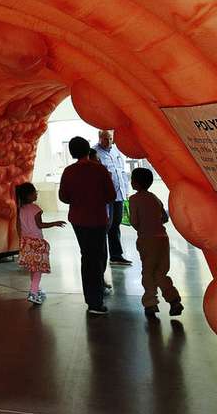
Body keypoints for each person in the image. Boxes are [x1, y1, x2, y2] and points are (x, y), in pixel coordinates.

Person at [58, 136, 117, 315]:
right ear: (88, 150)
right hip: (98, 219)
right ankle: (95, 301)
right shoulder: (99, 170)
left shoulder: (68, 171)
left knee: (87, 257)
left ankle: (91, 298)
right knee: (98, 257)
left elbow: (63, 197)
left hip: (78, 220)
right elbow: (111, 195)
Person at [128, 167, 183, 318]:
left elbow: (134, 222)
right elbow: (165, 218)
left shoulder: (133, 199)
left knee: (148, 272)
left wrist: (141, 225)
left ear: (136, 183)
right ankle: (174, 300)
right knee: (161, 272)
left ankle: (150, 303)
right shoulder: (155, 198)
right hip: (162, 240)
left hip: (147, 240)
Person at [15, 182, 66, 305]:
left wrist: (21, 239)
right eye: (34, 192)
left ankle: (36, 289)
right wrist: (55, 223)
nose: (36, 194)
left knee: (33, 268)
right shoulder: (36, 209)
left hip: (26, 242)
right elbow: (40, 225)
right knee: (38, 269)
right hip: (37, 242)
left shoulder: (20, 209)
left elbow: (18, 226)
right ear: (28, 196)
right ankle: (33, 292)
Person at [93, 129, 132, 266]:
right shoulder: (94, 153)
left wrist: (126, 190)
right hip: (105, 197)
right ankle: (101, 256)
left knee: (115, 225)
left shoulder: (116, 150)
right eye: (105, 138)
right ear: (99, 138)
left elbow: (122, 171)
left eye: (110, 138)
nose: (108, 141)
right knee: (105, 226)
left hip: (119, 195)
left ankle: (116, 255)